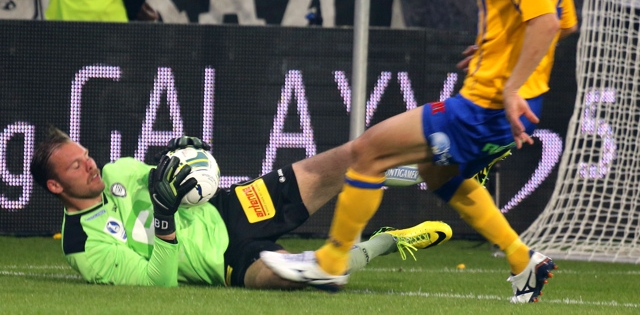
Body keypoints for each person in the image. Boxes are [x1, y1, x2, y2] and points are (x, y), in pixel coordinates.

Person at [260, 0, 578, 303]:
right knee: (438, 174)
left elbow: (545, 23)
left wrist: (509, 86)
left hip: (488, 105)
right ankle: (522, 259)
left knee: (369, 150)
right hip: (521, 103)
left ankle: (330, 264)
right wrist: (498, 49)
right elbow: (564, 22)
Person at [29, 128, 452, 288]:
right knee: (326, 276)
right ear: (54, 185)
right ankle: (384, 243)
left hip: (232, 209)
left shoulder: (118, 168)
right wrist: (163, 218)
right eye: (75, 164)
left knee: (348, 158)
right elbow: (155, 285)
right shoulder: (83, 246)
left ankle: (436, 172)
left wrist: (182, 154)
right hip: (227, 262)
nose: (89, 163)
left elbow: (170, 180)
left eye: (85, 153)